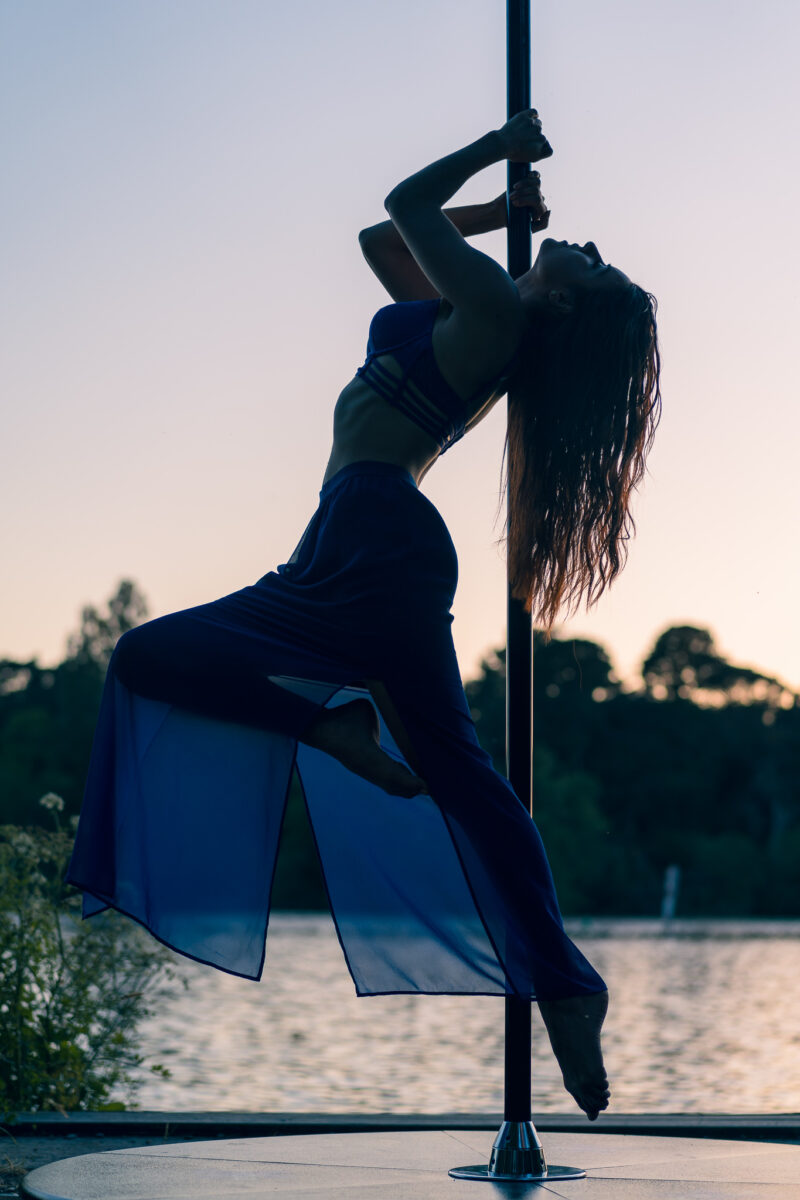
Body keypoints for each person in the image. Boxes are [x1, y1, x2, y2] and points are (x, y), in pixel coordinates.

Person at [67, 111, 661, 1123]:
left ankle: (561, 979)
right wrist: (498, 208)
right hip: (340, 542)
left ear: (563, 308)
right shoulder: (481, 301)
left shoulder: (497, 311)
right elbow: (384, 246)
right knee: (154, 657)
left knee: (457, 774)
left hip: (377, 538)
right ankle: (551, 966)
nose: (585, 247)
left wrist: (498, 142)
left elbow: (401, 204)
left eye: (591, 267)